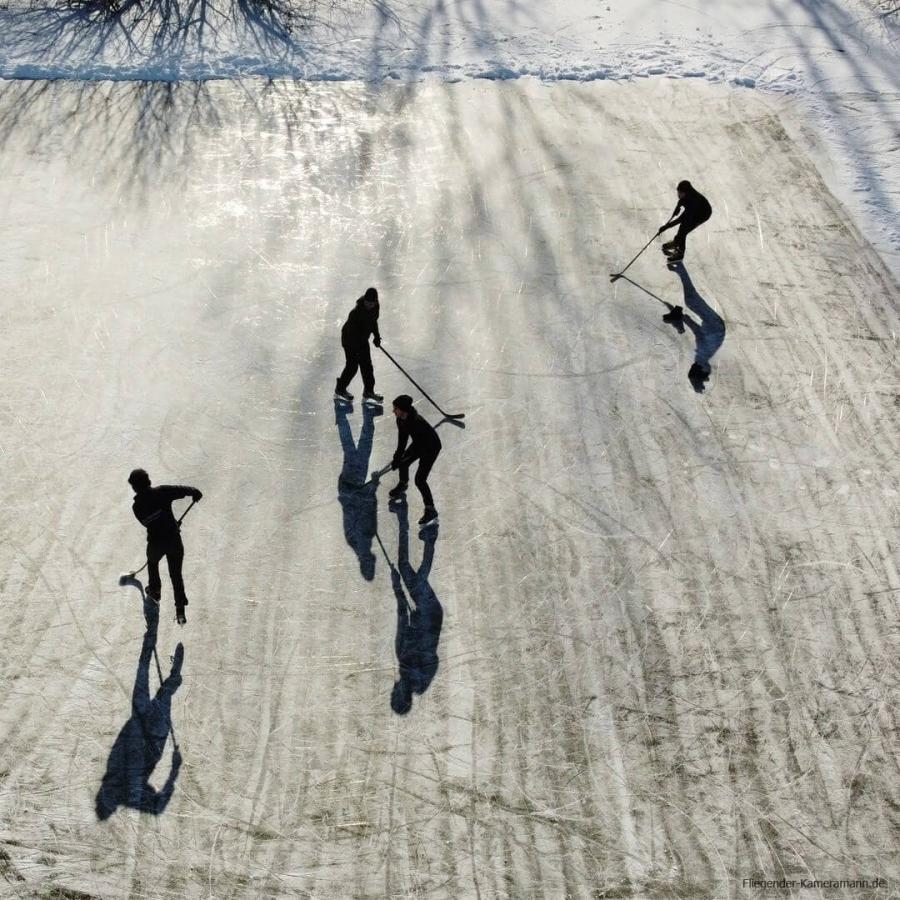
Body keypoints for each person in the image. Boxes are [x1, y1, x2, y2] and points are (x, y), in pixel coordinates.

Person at [128, 469, 201, 625]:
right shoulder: (162, 492)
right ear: (148, 481)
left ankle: (155, 591)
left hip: (156, 544)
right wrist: (195, 492)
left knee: (152, 562)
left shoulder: (137, 507)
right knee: (176, 575)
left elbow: (150, 522)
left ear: (134, 487)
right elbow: (182, 490)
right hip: (174, 541)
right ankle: (180, 608)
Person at [389, 395, 442, 527]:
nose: (393, 411)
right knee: (403, 460)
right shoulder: (400, 419)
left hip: (431, 446)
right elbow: (402, 441)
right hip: (419, 442)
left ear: (403, 410)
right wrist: (397, 458)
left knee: (420, 479)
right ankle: (403, 483)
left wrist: (403, 460)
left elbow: (420, 447)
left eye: (395, 408)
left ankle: (430, 509)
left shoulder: (416, 422)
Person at [335, 287, 383, 404]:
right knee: (352, 366)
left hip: (362, 340)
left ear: (375, 302)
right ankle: (340, 388)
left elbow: (373, 322)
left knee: (367, 366)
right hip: (349, 340)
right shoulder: (355, 313)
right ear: (364, 300)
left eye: (371, 303)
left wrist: (376, 336)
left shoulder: (375, 307)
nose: (369, 305)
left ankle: (369, 391)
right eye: (367, 302)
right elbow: (352, 334)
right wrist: (358, 349)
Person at [658, 180, 712, 262]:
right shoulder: (686, 196)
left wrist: (666, 227)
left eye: (680, 193)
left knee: (684, 229)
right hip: (696, 210)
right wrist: (676, 210)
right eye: (678, 192)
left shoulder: (692, 202)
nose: (678, 195)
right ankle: (676, 242)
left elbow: (681, 219)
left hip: (703, 214)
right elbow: (680, 203)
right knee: (683, 226)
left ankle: (680, 254)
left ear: (685, 193)